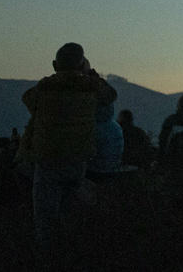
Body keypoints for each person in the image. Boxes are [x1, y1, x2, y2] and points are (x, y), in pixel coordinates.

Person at [19, 42, 117, 261]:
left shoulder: (45, 89)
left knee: (45, 218)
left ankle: (48, 259)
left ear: (55, 64)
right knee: (72, 214)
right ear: (81, 65)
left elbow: (27, 100)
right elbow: (110, 95)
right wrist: (91, 74)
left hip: (47, 160)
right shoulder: (90, 89)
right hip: (78, 159)